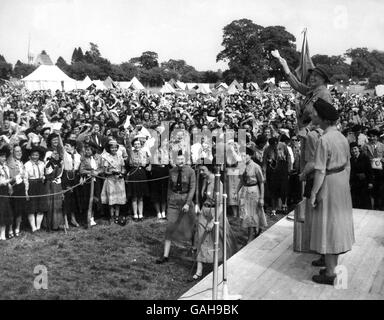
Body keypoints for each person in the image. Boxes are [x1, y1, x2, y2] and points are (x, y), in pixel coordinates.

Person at [309, 98, 354, 285]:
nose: (312, 115)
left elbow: (320, 171)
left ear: (323, 118)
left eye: (314, 113)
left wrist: (313, 193)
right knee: (336, 225)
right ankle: (331, 266)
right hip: (341, 183)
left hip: (328, 183)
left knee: (328, 226)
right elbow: (348, 164)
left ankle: (330, 274)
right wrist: (345, 184)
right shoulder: (342, 137)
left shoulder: (324, 140)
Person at [190, 164, 238, 281]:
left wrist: (213, 221)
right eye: (200, 170)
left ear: (210, 170)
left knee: (220, 239)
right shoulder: (205, 181)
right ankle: (199, 270)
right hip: (205, 211)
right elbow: (204, 198)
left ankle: (223, 264)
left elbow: (221, 205)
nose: (201, 172)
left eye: (203, 170)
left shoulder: (218, 183)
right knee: (200, 238)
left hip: (216, 213)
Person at [156, 151, 196, 264]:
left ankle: (194, 248)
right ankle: (165, 255)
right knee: (170, 227)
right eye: (178, 159)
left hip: (186, 199)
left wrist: (188, 203)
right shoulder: (171, 171)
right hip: (174, 201)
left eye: (183, 159)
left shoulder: (191, 171)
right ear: (174, 161)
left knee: (191, 225)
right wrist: (169, 200)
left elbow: (193, 188)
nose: (181, 161)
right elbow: (169, 188)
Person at [238, 147, 267, 243]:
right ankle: (253, 231)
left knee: (252, 214)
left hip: (253, 191)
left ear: (250, 156)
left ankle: (251, 236)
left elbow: (261, 182)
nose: (243, 157)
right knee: (246, 214)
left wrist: (262, 198)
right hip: (245, 191)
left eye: (245, 155)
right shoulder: (242, 166)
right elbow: (241, 180)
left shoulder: (256, 167)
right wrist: (236, 191)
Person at [100, 139, 127, 224]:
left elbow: (124, 168)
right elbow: (104, 171)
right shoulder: (106, 158)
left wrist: (123, 173)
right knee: (111, 200)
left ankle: (117, 216)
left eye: (115, 148)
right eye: (112, 148)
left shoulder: (120, 156)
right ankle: (112, 216)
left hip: (119, 180)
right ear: (109, 148)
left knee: (118, 199)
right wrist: (111, 172)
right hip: (111, 180)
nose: (114, 149)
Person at [125, 137, 150, 221]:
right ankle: (135, 214)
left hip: (142, 173)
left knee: (141, 196)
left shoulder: (144, 152)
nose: (137, 145)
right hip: (133, 173)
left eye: (138, 144)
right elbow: (128, 146)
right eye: (135, 144)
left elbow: (146, 163)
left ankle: (141, 214)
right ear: (133, 145)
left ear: (141, 145)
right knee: (134, 195)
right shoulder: (131, 153)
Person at [24, 146, 48, 232]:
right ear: (30, 156)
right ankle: (33, 227)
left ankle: (38, 227)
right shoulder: (27, 165)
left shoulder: (42, 163)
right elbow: (25, 178)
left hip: (40, 185)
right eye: (33, 155)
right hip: (31, 185)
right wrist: (26, 191)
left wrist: (43, 178)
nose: (35, 157)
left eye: (37, 155)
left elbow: (44, 173)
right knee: (31, 207)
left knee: (41, 207)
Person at [361, 129, 384, 210]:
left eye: (374, 136)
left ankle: (380, 205)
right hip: (370, 170)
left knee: (380, 187)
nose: (372, 138)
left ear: (377, 137)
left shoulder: (382, 145)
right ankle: (373, 205)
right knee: (372, 188)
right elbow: (364, 158)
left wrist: (382, 159)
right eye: (371, 137)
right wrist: (370, 161)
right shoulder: (365, 146)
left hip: (380, 170)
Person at [7, 145, 27, 237]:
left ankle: (17, 228)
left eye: (20, 151)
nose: (19, 153)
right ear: (12, 153)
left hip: (21, 188)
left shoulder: (21, 163)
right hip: (12, 187)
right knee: (12, 210)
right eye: (16, 151)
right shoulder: (10, 162)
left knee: (20, 209)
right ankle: (10, 229)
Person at [44, 148, 65, 231]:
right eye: (54, 153)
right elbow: (48, 173)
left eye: (57, 154)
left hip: (57, 185)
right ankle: (49, 225)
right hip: (50, 185)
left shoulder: (60, 163)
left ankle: (57, 224)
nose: (56, 155)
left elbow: (60, 175)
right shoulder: (48, 164)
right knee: (50, 204)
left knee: (57, 204)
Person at [350, 142, 373, 209]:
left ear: (358, 149)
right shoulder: (351, 160)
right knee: (356, 203)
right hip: (355, 184)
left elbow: (369, 171)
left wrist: (370, 182)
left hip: (364, 183)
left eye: (355, 149)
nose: (354, 151)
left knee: (365, 202)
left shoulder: (365, 157)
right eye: (352, 149)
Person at [0, 145, 13, 240]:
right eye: (1, 156)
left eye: (4, 157)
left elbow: (7, 179)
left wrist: (9, 185)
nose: (4, 158)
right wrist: (10, 180)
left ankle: (3, 234)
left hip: (4, 192)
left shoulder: (5, 167)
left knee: (4, 212)